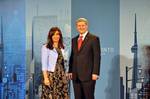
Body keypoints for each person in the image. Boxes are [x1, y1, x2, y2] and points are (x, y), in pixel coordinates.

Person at [68, 18, 101, 99]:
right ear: (76, 27)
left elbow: (97, 56)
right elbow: (72, 56)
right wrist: (70, 71)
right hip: (75, 75)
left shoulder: (94, 39)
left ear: (87, 26)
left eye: (83, 25)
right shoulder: (74, 40)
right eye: (79, 26)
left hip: (88, 75)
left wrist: (95, 73)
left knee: (88, 97)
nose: (81, 27)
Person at [41, 27, 69, 99]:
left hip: (62, 76)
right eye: (53, 35)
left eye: (57, 34)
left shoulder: (63, 47)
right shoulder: (45, 47)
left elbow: (65, 62)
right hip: (51, 76)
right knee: (51, 96)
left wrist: (66, 74)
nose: (56, 36)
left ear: (60, 36)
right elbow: (44, 64)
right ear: (50, 36)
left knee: (62, 95)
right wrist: (45, 78)